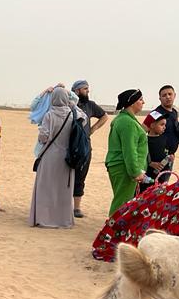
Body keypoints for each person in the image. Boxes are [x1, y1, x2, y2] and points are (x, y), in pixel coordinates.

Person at [29, 86, 77, 227]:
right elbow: (83, 119)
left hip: (50, 156)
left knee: (46, 188)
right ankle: (63, 220)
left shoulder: (49, 115)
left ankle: (44, 219)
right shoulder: (72, 114)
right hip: (66, 158)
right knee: (63, 190)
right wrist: (71, 96)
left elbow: (43, 137)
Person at [105, 89, 148, 215]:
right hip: (124, 168)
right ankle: (112, 232)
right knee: (121, 204)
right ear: (132, 102)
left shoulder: (125, 120)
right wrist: (135, 172)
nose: (143, 102)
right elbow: (129, 150)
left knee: (123, 202)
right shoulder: (127, 123)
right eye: (140, 100)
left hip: (121, 167)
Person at [70, 80, 108, 218]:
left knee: (80, 177)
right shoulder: (69, 103)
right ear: (77, 90)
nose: (87, 91)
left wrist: (93, 129)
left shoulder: (90, 105)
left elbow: (104, 116)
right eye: (85, 89)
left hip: (84, 147)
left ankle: (77, 208)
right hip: (68, 146)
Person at [141, 109, 171, 187]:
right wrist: (150, 163)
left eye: (165, 125)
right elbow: (143, 155)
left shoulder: (165, 138)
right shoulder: (145, 140)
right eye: (162, 125)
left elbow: (167, 152)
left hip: (163, 176)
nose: (164, 127)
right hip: (148, 177)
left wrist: (170, 158)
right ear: (152, 125)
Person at [156, 84, 179, 159]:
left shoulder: (174, 112)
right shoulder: (156, 114)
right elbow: (143, 132)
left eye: (170, 94)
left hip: (170, 156)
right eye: (164, 95)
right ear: (160, 98)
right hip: (158, 158)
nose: (168, 97)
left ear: (174, 95)